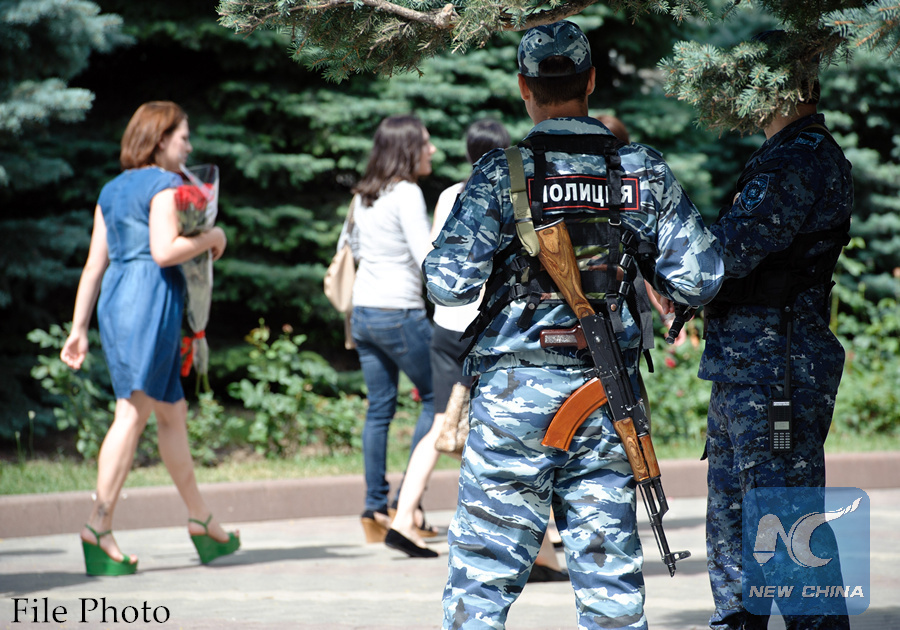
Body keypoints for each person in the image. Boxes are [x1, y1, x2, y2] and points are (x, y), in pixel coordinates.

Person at [424, 21, 723, 629]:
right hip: (603, 399)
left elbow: (448, 284)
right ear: (590, 82)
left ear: (523, 87)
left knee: (482, 578)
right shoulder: (639, 170)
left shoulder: (502, 173)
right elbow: (701, 278)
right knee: (610, 585)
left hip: (514, 400)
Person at [696, 30, 853, 630]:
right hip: (748, 369)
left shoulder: (799, 158)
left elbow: (730, 252)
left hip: (777, 370)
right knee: (735, 528)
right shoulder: (783, 154)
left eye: (751, 81)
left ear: (777, 86)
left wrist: (673, 238)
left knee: (788, 533)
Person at [60, 101, 239, 576]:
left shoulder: (112, 188)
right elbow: (164, 251)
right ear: (161, 140)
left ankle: (201, 519)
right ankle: (98, 525)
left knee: (171, 413)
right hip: (149, 298)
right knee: (132, 412)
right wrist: (213, 237)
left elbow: (94, 265)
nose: (189, 146)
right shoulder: (165, 184)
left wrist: (78, 328)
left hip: (118, 297)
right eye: (183, 137)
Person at [341, 114, 437, 543]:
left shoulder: (365, 194)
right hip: (399, 312)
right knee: (438, 398)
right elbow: (425, 257)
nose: (432, 150)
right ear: (407, 149)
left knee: (379, 409)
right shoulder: (407, 193)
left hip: (363, 311)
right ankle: (405, 504)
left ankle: (375, 508)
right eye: (425, 143)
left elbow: (353, 249)